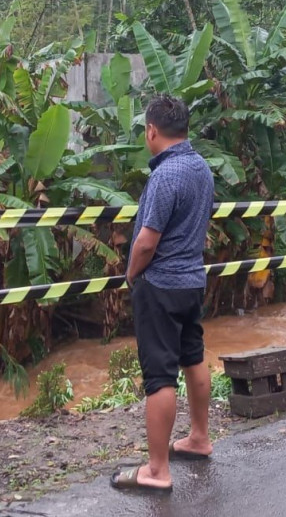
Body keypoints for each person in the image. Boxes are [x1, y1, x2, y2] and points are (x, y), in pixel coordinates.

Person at [111, 94, 216, 494]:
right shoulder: (202, 168)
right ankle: (200, 438)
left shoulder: (164, 176)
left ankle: (157, 470)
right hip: (192, 280)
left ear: (151, 131)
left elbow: (146, 241)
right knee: (193, 357)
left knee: (159, 377)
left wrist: (131, 275)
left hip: (161, 285)